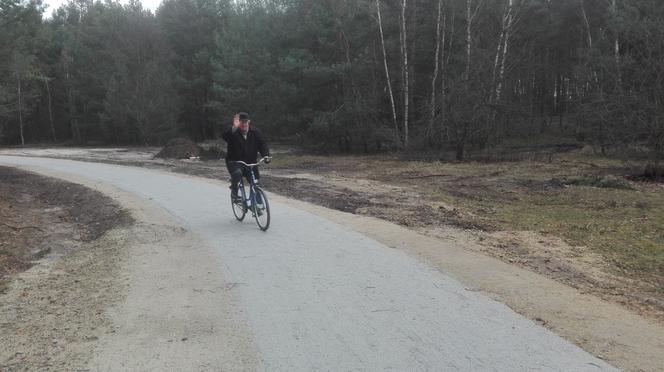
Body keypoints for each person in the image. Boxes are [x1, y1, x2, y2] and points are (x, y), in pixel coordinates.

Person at [222, 112, 270, 202]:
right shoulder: (233, 131)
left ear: (249, 122)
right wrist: (234, 127)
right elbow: (225, 136)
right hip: (234, 162)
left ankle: (258, 205)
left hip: (251, 163)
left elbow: (262, 144)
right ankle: (234, 192)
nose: (244, 124)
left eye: (245, 122)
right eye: (241, 122)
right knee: (237, 173)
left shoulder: (255, 132)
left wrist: (266, 155)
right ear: (238, 123)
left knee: (255, 183)